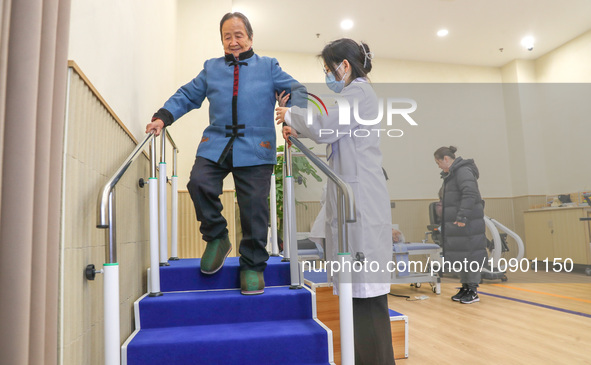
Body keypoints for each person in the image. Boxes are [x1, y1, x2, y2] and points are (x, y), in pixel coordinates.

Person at [145, 12, 303, 295]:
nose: (233, 41)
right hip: (217, 142)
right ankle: (217, 237)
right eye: (227, 36)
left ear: (250, 37)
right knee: (199, 183)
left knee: (254, 207)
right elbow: (187, 95)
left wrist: (293, 119)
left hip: (256, 146)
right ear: (222, 41)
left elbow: (296, 91)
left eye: (238, 35)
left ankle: (253, 267)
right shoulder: (212, 68)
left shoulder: (268, 66)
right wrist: (163, 117)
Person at [276, 38, 395, 365]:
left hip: (362, 208)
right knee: (359, 302)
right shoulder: (356, 96)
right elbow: (334, 133)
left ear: (345, 65)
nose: (329, 75)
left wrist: (291, 114)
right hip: (355, 202)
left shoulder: (358, 93)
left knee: (367, 301)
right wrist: (298, 130)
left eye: (330, 69)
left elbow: (327, 128)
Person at [434, 146, 487, 304]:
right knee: (463, 256)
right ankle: (465, 287)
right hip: (458, 221)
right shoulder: (451, 175)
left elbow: (470, 192)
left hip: (468, 222)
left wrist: (463, 215)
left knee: (471, 255)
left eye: (438, 162)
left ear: (446, 159)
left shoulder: (463, 171)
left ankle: (472, 290)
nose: (438, 166)